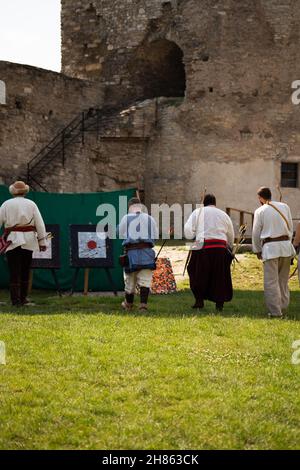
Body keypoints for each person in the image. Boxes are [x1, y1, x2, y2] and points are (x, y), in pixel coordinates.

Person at [184, 193, 235, 312]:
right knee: (219, 276)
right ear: (215, 203)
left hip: (202, 247)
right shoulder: (223, 215)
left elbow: (188, 230)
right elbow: (230, 234)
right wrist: (230, 247)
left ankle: (199, 300)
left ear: (204, 203)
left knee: (196, 272)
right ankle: (219, 304)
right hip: (220, 248)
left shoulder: (198, 212)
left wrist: (192, 235)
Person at [0, 181, 47, 307]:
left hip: (12, 240)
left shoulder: (6, 204)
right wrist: (42, 242)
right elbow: (40, 224)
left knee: (14, 271)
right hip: (29, 240)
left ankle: (15, 301)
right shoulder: (31, 204)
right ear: (25, 191)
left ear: (13, 191)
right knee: (25, 270)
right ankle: (23, 299)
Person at [252, 186, 295, 318]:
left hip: (270, 248)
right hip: (286, 247)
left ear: (260, 198)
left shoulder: (260, 211)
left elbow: (256, 233)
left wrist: (257, 250)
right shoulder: (285, 207)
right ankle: (282, 306)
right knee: (282, 281)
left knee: (271, 282)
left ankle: (276, 312)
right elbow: (290, 227)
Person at [118, 197, 158, 312]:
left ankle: (128, 304)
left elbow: (120, 233)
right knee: (145, 280)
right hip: (147, 254)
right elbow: (155, 235)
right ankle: (143, 306)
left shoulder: (126, 218)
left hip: (131, 254)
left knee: (130, 281)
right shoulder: (150, 219)